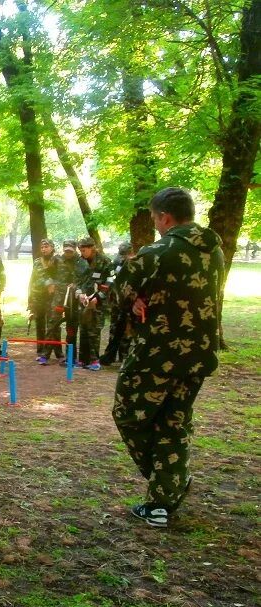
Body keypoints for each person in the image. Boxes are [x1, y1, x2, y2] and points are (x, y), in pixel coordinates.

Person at [112, 187, 224, 528]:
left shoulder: (157, 251)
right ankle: (162, 500)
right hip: (200, 354)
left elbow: (120, 291)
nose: (155, 225)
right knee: (173, 421)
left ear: (164, 217)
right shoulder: (216, 250)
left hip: (158, 354)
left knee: (129, 414)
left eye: (154, 218)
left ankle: (169, 483)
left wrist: (131, 300)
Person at [74, 236, 114, 370]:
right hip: (84, 301)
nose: (82, 253)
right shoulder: (80, 262)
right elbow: (77, 281)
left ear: (92, 248)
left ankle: (94, 360)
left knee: (94, 330)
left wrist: (100, 297)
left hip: (98, 302)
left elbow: (111, 282)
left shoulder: (105, 261)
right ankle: (82, 360)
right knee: (84, 329)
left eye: (84, 250)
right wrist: (79, 294)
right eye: (80, 250)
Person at [27, 239, 63, 365]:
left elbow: (61, 278)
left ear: (52, 248)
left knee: (54, 325)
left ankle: (59, 353)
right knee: (40, 325)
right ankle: (41, 351)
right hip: (38, 297)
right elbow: (32, 280)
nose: (44, 249)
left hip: (53, 297)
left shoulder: (58, 260)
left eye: (46, 247)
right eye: (42, 247)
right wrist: (30, 300)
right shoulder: (37, 262)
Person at [99, 242, 135, 366]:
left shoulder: (134, 263)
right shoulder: (115, 263)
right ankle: (111, 355)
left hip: (128, 302)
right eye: (122, 254)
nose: (123, 257)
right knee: (114, 328)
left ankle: (124, 356)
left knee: (126, 330)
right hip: (115, 302)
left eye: (125, 254)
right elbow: (111, 280)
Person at [49, 239, 81, 365]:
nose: (68, 253)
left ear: (75, 249)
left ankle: (71, 357)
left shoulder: (80, 260)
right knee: (54, 323)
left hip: (75, 298)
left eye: (70, 250)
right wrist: (51, 284)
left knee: (72, 327)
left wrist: (76, 285)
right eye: (66, 250)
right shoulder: (56, 260)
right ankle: (54, 354)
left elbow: (85, 277)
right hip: (59, 297)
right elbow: (49, 274)